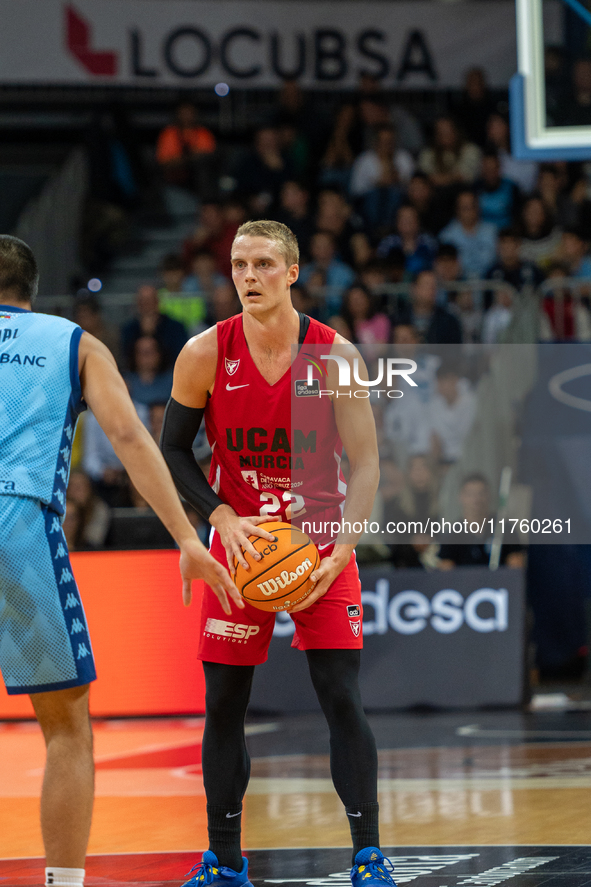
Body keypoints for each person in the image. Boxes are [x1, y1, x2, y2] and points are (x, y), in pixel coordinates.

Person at [0, 235, 240, 887]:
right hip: (15, 521)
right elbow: (131, 437)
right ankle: (64, 884)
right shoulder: (73, 341)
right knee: (67, 724)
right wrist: (187, 538)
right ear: (32, 286)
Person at [160, 220, 394, 887]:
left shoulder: (335, 355)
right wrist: (219, 514)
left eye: (263, 263)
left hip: (319, 545)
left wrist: (343, 546)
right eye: (238, 264)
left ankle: (368, 853)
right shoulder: (203, 353)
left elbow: (367, 462)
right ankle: (225, 861)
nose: (248, 276)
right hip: (240, 545)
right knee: (224, 702)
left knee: (340, 695)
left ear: (292, 271)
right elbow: (172, 451)